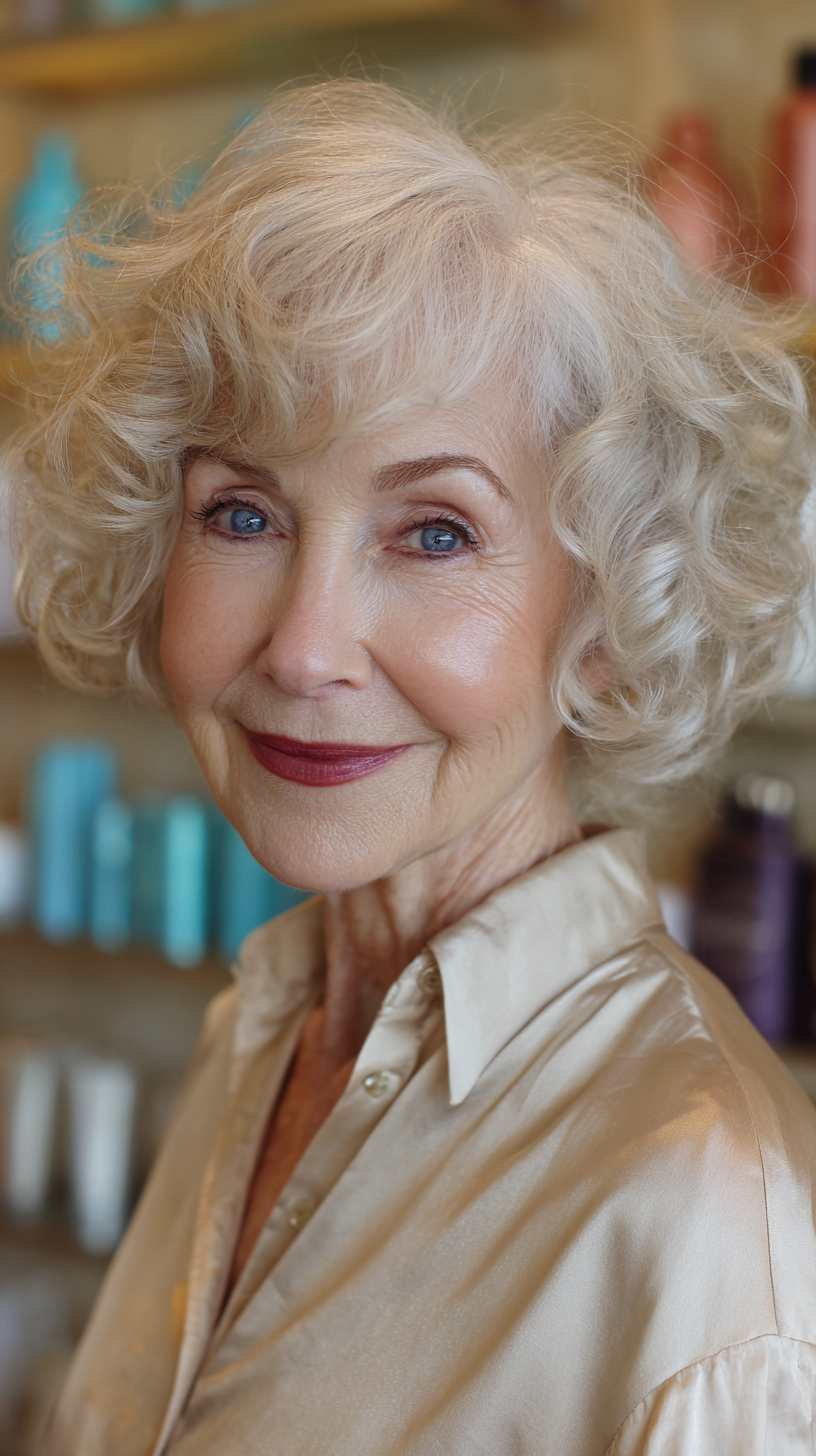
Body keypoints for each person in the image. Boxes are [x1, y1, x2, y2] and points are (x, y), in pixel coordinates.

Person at [11, 80, 816, 1456]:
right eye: (242, 513)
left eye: (435, 532)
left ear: (606, 616)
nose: (306, 647)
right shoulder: (256, 1037)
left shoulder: (707, 1223)